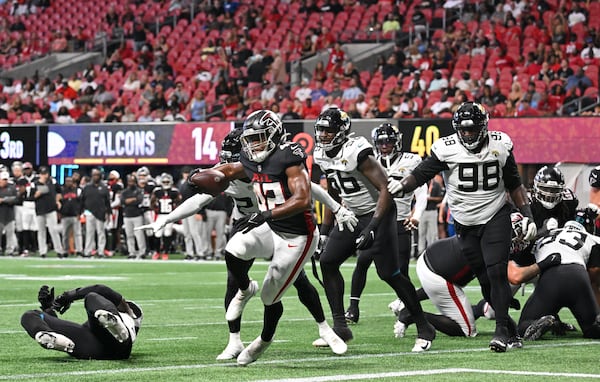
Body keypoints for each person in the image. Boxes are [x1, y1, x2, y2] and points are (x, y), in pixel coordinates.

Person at [139, 127, 355, 361]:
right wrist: (168, 218)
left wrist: (337, 208)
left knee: (298, 280)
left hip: (275, 222)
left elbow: (308, 189)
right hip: (245, 223)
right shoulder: (227, 174)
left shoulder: (266, 166)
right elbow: (199, 199)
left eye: (233, 160)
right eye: (227, 161)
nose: (229, 166)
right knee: (234, 280)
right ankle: (234, 341)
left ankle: (324, 327)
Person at [388, 101, 537, 352]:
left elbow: (514, 184)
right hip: (465, 223)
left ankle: (501, 331)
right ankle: (510, 329)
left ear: (484, 126)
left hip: (495, 215)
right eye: (463, 129)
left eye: (472, 128)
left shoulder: (500, 145)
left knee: (497, 271)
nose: (467, 134)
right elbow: (422, 173)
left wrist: (527, 214)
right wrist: (402, 185)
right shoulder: (446, 148)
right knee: (485, 280)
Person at [312, 107, 436, 352]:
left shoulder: (357, 151)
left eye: (329, 130)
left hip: (379, 212)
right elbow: (332, 191)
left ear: (342, 131)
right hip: (353, 214)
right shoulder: (321, 154)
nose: (324, 135)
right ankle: (340, 328)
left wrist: (372, 226)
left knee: (389, 273)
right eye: (321, 130)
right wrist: (325, 229)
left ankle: (424, 326)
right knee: (328, 261)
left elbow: (386, 190)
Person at [344, 123, 427, 323]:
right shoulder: (368, 162)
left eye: (389, 141)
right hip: (378, 220)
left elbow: (421, 192)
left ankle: (407, 308)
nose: (385, 146)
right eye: (381, 142)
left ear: (397, 142)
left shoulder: (412, 160)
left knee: (401, 269)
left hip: (400, 221)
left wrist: (416, 216)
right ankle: (353, 308)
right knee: (363, 261)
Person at [517, 215, 600, 340]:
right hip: (578, 276)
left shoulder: (544, 236)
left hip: (551, 277)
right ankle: (594, 326)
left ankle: (546, 321)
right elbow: (594, 273)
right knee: (591, 328)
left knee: (524, 325)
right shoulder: (591, 238)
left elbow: (525, 260)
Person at [21, 284, 142, 359]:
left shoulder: (130, 309)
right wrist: (49, 309)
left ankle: (117, 327)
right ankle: (43, 334)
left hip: (119, 343)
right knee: (30, 315)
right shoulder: (100, 314)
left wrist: (69, 296)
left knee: (92, 297)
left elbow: (101, 289)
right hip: (93, 345)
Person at [33, 166, 65, 258]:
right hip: (40, 209)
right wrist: (37, 194)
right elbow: (31, 197)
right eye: (42, 174)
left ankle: (59, 250)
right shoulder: (35, 183)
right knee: (41, 231)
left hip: (51, 209)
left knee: (53, 230)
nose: (44, 175)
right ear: (40, 174)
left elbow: (59, 192)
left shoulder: (53, 182)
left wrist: (57, 201)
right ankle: (42, 251)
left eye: (45, 173)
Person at [150, 173, 181, 260]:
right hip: (160, 215)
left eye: (167, 181)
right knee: (157, 233)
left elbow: (179, 202)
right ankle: (157, 252)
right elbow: (151, 202)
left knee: (167, 233)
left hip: (170, 215)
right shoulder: (157, 191)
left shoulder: (174, 191)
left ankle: (166, 252)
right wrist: (154, 208)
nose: (166, 183)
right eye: (164, 181)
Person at [80, 169, 111, 258]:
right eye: (94, 175)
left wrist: (108, 212)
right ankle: (88, 251)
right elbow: (82, 200)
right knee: (89, 233)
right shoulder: (87, 187)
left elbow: (107, 201)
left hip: (101, 212)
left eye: (97, 175)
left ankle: (101, 251)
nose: (95, 177)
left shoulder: (104, 187)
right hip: (89, 212)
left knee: (101, 232)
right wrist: (80, 211)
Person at [121, 174, 147, 259]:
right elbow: (122, 201)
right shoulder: (124, 192)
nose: (131, 183)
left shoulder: (138, 191)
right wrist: (133, 199)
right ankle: (131, 252)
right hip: (127, 215)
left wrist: (129, 200)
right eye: (129, 181)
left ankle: (142, 252)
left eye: (132, 181)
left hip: (137, 215)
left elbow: (139, 200)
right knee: (129, 235)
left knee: (139, 235)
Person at [60, 176, 83, 257]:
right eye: (67, 181)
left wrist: (79, 213)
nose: (68, 183)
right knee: (65, 234)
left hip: (75, 215)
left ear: (73, 182)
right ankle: (65, 250)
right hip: (65, 215)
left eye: (70, 181)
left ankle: (79, 250)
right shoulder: (62, 191)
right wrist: (60, 213)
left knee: (77, 234)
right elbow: (59, 203)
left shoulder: (78, 190)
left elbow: (81, 203)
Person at [0, 171, 18, 256]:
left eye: (6, 180)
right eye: (3, 180)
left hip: (9, 215)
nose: (5, 181)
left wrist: (3, 200)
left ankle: (9, 250)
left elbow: (16, 199)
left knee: (10, 234)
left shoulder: (12, 187)